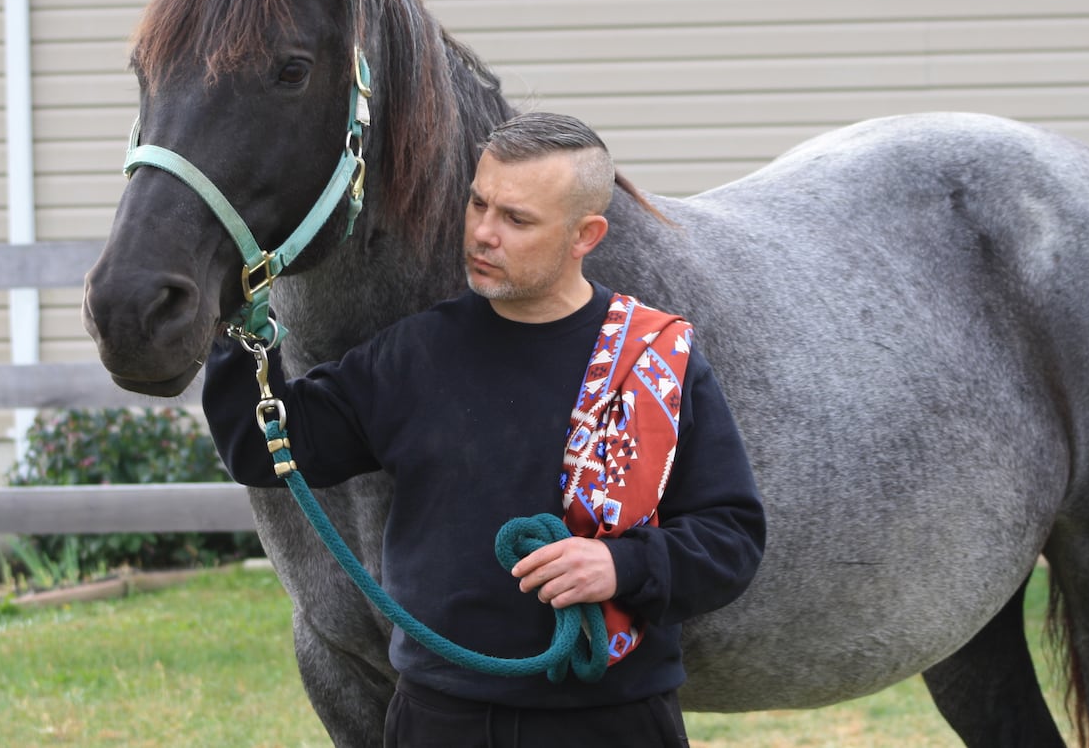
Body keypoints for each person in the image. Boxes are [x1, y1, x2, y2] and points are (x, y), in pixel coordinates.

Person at [203, 112, 765, 748]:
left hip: (613, 719)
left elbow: (732, 540)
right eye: (478, 204)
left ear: (587, 234)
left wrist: (621, 564)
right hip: (441, 721)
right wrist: (236, 324)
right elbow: (266, 449)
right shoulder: (413, 356)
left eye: (517, 219)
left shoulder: (656, 361)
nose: (483, 234)